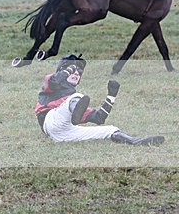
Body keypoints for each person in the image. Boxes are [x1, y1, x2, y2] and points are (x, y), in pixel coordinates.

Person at [35, 55, 164, 146]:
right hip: (49, 122)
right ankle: (75, 114)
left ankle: (136, 141)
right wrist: (69, 69)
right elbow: (54, 81)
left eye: (79, 72)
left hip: (63, 134)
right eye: (74, 71)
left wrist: (111, 96)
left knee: (109, 130)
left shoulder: (74, 97)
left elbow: (99, 118)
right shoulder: (51, 83)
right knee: (76, 98)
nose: (77, 74)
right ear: (62, 70)